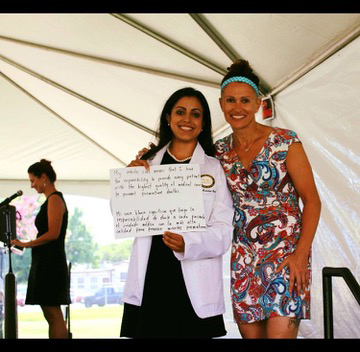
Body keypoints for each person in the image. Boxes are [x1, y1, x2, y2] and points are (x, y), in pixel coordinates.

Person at [214, 59, 321, 338]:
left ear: (258, 103)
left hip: (287, 257)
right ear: (221, 103)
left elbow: (312, 201)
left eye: (245, 100)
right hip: (244, 259)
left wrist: (300, 256)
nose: (238, 108)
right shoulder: (218, 152)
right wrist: (145, 160)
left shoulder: (285, 141)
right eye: (230, 100)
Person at [119, 87, 234, 338]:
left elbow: (224, 230)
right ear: (168, 118)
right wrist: (128, 182)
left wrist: (188, 243)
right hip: (152, 279)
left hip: (193, 284)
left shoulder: (214, 169)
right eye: (180, 112)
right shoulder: (146, 162)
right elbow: (122, 217)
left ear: (203, 124)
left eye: (195, 114)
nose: (187, 120)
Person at [11, 159, 70, 339]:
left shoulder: (55, 200)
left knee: (54, 314)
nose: (32, 185)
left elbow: (53, 233)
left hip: (52, 263)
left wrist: (26, 243)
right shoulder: (50, 200)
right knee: (49, 313)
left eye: (33, 180)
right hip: (45, 262)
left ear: (43, 177)